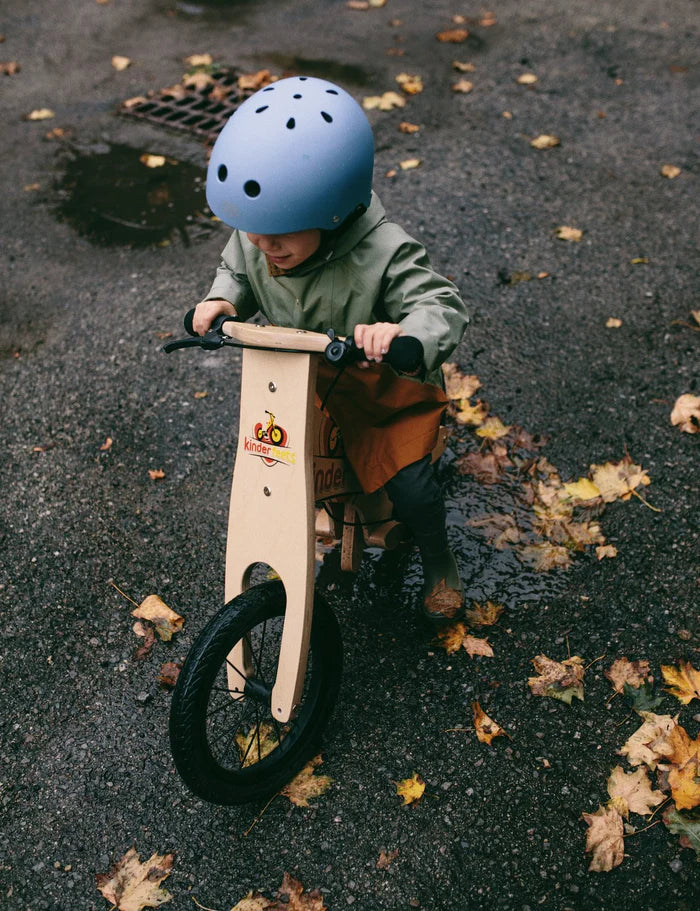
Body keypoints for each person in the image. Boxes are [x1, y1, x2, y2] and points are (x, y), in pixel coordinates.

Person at [192, 75, 469, 621]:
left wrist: (404, 336)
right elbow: (236, 269)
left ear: (334, 208)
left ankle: (439, 560)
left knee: (410, 485)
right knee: (275, 466)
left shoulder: (384, 250)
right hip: (307, 388)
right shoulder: (260, 237)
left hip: (379, 392)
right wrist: (223, 301)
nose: (264, 246)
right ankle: (296, 545)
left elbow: (441, 304)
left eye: (281, 234)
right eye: (254, 231)